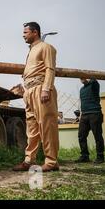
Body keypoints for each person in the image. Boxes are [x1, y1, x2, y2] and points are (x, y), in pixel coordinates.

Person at [13, 22, 60, 172]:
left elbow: (50, 69)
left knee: (47, 126)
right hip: (30, 91)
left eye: (26, 32)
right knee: (32, 128)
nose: (23, 35)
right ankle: (29, 160)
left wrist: (46, 88)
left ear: (35, 32)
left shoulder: (46, 47)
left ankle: (51, 162)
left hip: (42, 89)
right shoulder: (32, 50)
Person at [75, 78, 105, 164]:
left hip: (95, 113)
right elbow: (83, 103)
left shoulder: (94, 85)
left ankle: (100, 156)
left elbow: (94, 80)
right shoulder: (81, 89)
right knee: (81, 135)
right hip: (84, 115)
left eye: (83, 77)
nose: (81, 79)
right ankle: (85, 156)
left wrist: (88, 76)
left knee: (97, 136)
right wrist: (80, 115)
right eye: (80, 78)